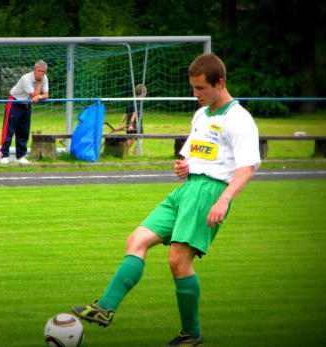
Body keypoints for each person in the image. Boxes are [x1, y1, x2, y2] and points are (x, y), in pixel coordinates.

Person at [72, 53, 261, 346]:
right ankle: (105, 308)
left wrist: (223, 201)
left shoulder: (239, 119)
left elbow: (247, 167)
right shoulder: (200, 115)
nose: (195, 94)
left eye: (201, 89)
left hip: (208, 194)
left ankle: (191, 333)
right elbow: (194, 155)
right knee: (136, 240)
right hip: (186, 191)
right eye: (193, 88)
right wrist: (185, 166)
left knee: (178, 262)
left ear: (219, 83)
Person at [0, 60, 49, 165]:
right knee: (9, 129)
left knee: (24, 131)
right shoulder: (26, 78)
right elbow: (34, 95)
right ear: (34, 70)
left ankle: (20, 156)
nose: (41, 74)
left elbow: (45, 95)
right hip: (14, 102)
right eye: (39, 71)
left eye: (43, 72)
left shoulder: (45, 78)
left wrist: (40, 96)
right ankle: (4, 155)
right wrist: (39, 84)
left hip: (26, 104)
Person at [118, 84, 147, 155]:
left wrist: (120, 124)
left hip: (135, 123)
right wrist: (131, 124)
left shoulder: (132, 100)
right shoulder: (138, 101)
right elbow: (134, 113)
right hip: (134, 123)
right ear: (143, 93)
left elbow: (126, 113)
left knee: (140, 140)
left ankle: (134, 154)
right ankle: (120, 152)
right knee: (130, 141)